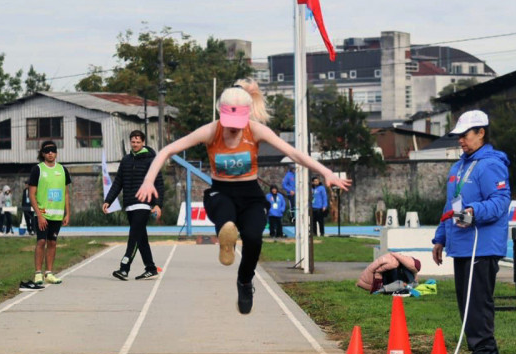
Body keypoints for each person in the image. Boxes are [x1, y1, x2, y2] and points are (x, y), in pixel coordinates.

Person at [136, 78, 351, 314]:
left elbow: (293, 153)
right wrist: (148, 180)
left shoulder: (255, 130)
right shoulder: (211, 131)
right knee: (226, 219)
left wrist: (326, 172)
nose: (234, 129)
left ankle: (245, 281)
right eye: (230, 124)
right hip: (221, 191)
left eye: (238, 124)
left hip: (251, 195)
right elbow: (168, 150)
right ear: (221, 113)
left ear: (246, 116)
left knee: (253, 238)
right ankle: (225, 237)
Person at [432, 109, 511, 354]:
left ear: (481, 133)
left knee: (478, 301)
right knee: (465, 301)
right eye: (458, 136)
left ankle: (486, 349)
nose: (460, 141)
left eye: (465, 135)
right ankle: (478, 348)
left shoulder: (491, 165)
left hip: (483, 245)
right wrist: (440, 238)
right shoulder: (458, 167)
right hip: (461, 244)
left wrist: (474, 211)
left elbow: (500, 201)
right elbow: (450, 206)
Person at [103, 130, 164, 281]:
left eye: (138, 142)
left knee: (134, 237)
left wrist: (157, 204)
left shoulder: (151, 161)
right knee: (141, 238)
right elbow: (118, 183)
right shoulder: (126, 160)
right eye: (133, 142)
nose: (135, 144)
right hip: (130, 205)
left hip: (144, 204)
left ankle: (124, 268)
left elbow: (159, 184)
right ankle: (150, 268)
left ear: (143, 142)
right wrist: (108, 200)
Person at [28, 140, 71, 286]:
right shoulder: (37, 170)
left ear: (56, 153)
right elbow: (31, 194)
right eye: (47, 151)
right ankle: (38, 273)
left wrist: (67, 213)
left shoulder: (63, 170)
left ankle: (49, 273)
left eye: (53, 150)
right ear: (43, 154)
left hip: (57, 215)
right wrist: (39, 215)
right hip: (42, 215)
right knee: (41, 241)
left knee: (52, 242)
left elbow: (66, 193)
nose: (50, 153)